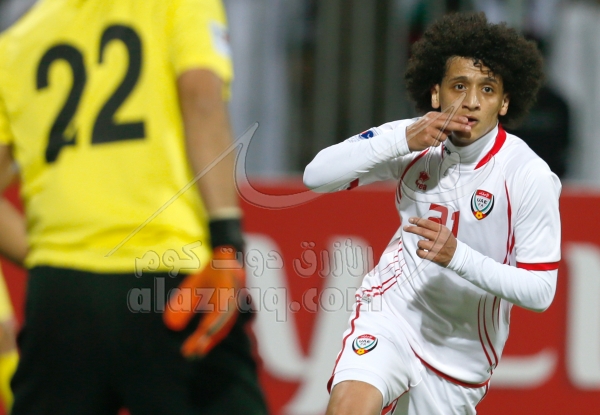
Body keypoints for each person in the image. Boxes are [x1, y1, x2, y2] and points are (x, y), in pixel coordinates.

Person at [0, 0, 267, 414]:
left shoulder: (18, 41)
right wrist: (227, 241)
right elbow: (201, 99)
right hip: (170, 279)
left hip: (61, 300)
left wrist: (51, 263)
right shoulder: (178, 5)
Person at [304, 12, 560, 415]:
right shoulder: (415, 139)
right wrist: (401, 139)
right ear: (437, 94)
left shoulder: (528, 175)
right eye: (459, 86)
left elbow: (540, 291)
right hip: (392, 314)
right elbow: (316, 176)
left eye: (487, 89)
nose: (471, 101)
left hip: (459, 355)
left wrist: (457, 256)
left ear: (505, 102)